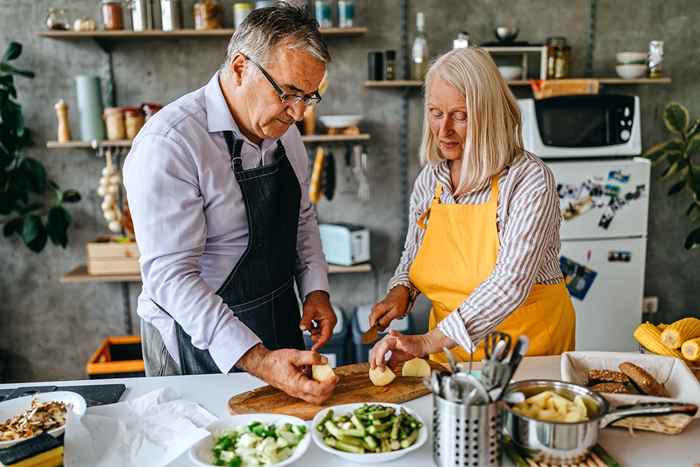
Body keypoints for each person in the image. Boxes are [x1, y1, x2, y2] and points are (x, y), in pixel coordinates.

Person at [123, 3, 339, 404]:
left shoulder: (284, 131)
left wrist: (315, 290)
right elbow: (172, 279)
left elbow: (301, 218)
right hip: (197, 340)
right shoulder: (169, 145)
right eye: (288, 93)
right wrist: (257, 358)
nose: (298, 112)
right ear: (241, 67)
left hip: (276, 317)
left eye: (309, 97)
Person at [368, 47, 576, 370]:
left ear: (488, 115)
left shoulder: (529, 181)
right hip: (449, 354)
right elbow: (414, 253)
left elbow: (510, 284)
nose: (444, 129)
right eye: (436, 113)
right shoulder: (431, 179)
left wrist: (425, 342)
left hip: (528, 355)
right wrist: (402, 289)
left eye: (460, 115)